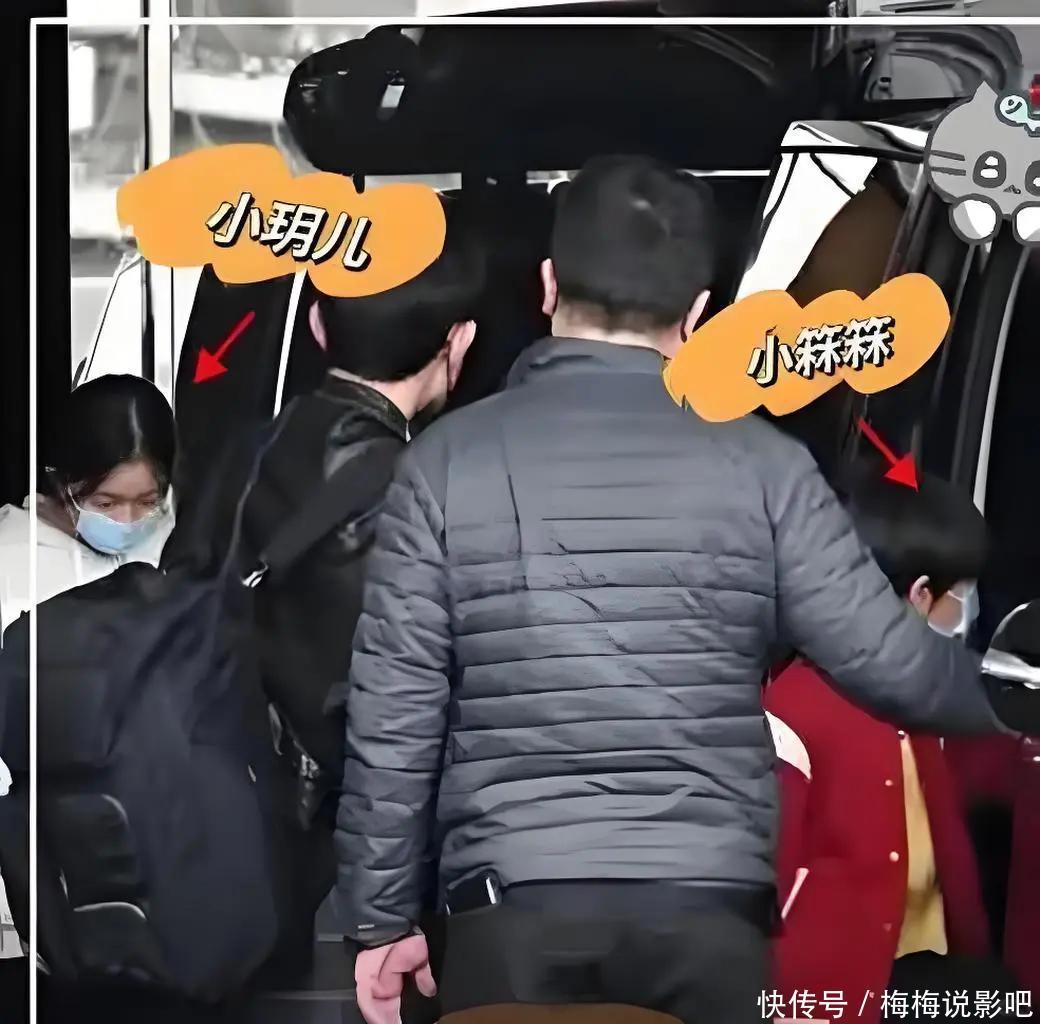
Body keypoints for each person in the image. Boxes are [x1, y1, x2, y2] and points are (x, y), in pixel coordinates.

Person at [334, 154, 1012, 1024]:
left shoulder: (442, 465)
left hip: (510, 911)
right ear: (698, 313)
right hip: (707, 919)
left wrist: (382, 918)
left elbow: (395, 713)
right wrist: (1017, 693)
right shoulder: (765, 466)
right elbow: (892, 663)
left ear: (548, 286)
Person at [163, 195, 485, 989]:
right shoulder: (428, 490)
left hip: (218, 837)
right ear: (459, 342)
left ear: (315, 327)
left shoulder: (239, 453)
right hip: (345, 874)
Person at [765, 468, 1020, 1024]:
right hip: (832, 996)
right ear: (920, 595)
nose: (965, 615)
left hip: (932, 973)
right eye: (958, 598)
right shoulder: (795, 709)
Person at [0, 373, 175, 636]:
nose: (127, 521)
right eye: (106, 503)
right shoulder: (11, 566)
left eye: (147, 501)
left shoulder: (176, 538)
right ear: (62, 484)